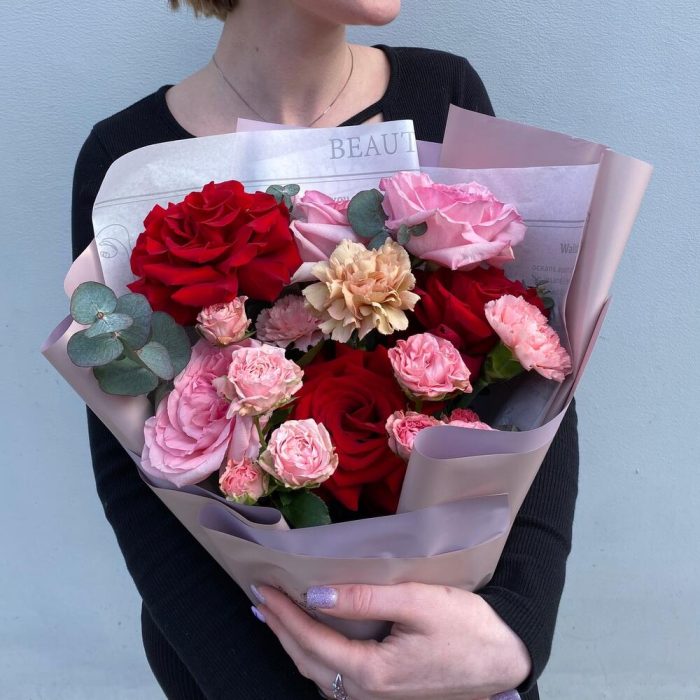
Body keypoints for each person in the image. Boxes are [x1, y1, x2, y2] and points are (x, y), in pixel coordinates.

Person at [71, 1, 579, 698]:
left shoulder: (443, 92)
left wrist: (514, 630)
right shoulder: (127, 157)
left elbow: (535, 395)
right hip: (237, 660)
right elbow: (133, 476)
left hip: (455, 660)